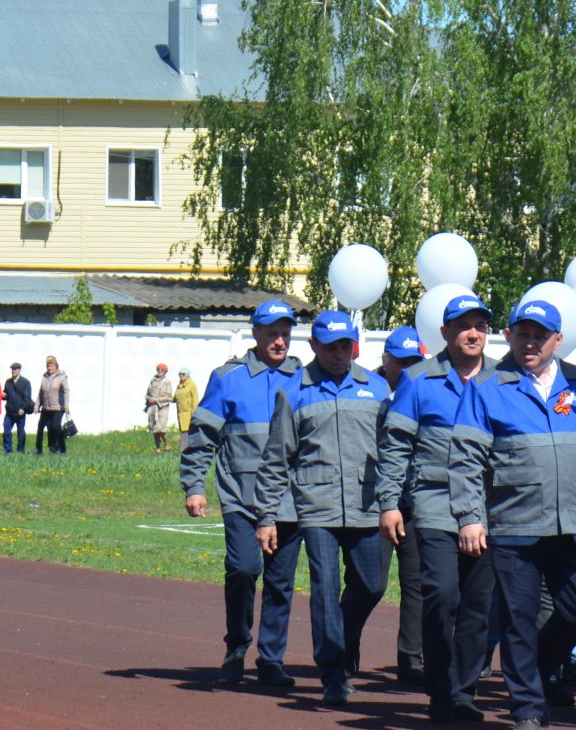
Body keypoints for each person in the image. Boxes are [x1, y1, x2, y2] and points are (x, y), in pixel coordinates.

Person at [451, 298, 576, 730]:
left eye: (540, 335)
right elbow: (465, 459)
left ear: (558, 341)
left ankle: (534, 668)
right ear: (510, 336)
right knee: (518, 618)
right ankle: (528, 709)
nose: (531, 342)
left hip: (574, 520)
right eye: (523, 333)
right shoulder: (488, 387)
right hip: (515, 524)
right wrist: (470, 518)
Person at [254, 310, 390, 705]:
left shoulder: (377, 388)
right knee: (325, 588)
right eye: (329, 347)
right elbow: (277, 457)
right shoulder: (295, 391)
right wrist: (266, 515)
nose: (338, 354)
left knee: (372, 584)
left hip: (368, 504)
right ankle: (333, 672)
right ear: (314, 346)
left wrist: (394, 500)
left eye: (344, 346)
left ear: (354, 346)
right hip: (316, 506)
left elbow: (394, 450)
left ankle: (343, 640)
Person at [378, 295, 499, 722]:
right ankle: (439, 689)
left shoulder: (503, 381)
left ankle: (463, 691)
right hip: (433, 501)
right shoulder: (418, 380)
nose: (473, 333)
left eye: (480, 326)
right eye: (463, 326)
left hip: (488, 508)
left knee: (476, 604)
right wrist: (389, 503)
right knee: (442, 594)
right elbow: (395, 446)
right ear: (444, 332)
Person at [180, 300, 305, 685]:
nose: (280, 341)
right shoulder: (227, 377)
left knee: (281, 582)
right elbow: (202, 437)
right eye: (272, 333)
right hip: (241, 496)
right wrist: (194, 486)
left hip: (289, 499)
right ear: (255, 334)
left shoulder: (303, 376)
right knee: (244, 569)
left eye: (285, 333)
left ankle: (270, 660)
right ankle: (236, 646)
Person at [373, 325, 428, 685]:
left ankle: (411, 661)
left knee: (417, 586)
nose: (408, 370)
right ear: (386, 361)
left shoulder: (422, 393)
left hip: (411, 506)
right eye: (401, 362)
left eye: (415, 362)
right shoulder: (370, 392)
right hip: (372, 506)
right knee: (370, 585)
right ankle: (343, 648)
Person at [36, 356, 70, 455]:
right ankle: (50, 449)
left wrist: (66, 405)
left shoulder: (62, 377)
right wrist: (37, 405)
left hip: (59, 407)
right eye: (48, 366)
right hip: (46, 407)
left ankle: (62, 448)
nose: (49, 368)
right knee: (46, 428)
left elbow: (66, 391)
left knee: (56, 427)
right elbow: (41, 392)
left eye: (51, 366)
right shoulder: (45, 377)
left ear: (56, 366)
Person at [145, 363, 178, 453]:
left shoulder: (167, 382)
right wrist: (149, 399)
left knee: (162, 429)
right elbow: (147, 394)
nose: (160, 371)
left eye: (162, 370)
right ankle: (158, 449)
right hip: (152, 408)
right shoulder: (152, 381)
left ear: (165, 372)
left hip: (162, 408)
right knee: (154, 430)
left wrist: (157, 399)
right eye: (158, 369)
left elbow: (169, 397)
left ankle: (167, 445)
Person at [1, 362, 33, 453]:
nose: (13, 371)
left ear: (19, 370)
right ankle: (7, 450)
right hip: (10, 412)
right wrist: (3, 395)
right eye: (12, 369)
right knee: (6, 431)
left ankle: (20, 450)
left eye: (15, 369)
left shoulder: (25, 382)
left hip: (20, 412)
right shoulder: (8, 382)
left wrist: (23, 408)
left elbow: (27, 398)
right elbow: (6, 395)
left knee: (20, 432)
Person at [173, 367, 197, 445]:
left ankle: (187, 448)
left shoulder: (191, 384)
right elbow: (175, 397)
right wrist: (166, 397)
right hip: (180, 412)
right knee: (183, 431)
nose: (181, 376)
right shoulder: (179, 385)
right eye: (179, 374)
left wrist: (194, 413)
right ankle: (184, 449)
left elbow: (195, 399)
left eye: (183, 374)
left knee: (187, 431)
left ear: (187, 375)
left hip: (188, 412)